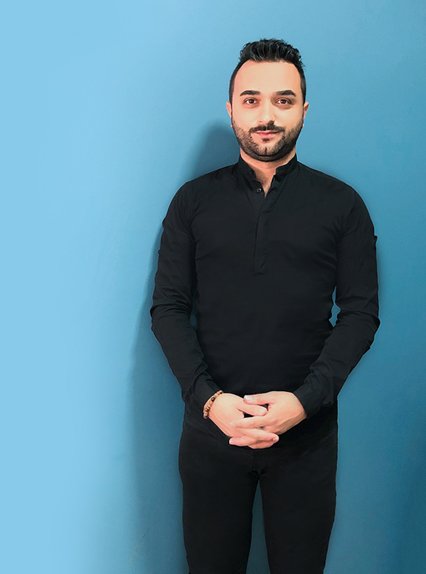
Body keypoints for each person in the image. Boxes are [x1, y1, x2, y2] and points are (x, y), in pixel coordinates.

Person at [150, 38, 380, 574]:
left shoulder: (343, 205)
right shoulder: (192, 202)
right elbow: (168, 308)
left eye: (283, 99)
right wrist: (210, 401)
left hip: (306, 436)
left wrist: (304, 402)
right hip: (212, 433)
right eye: (251, 99)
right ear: (231, 108)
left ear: (304, 109)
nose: (267, 115)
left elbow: (360, 314)